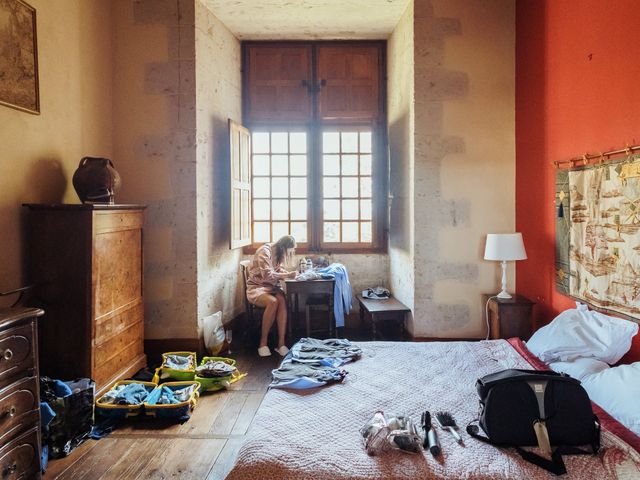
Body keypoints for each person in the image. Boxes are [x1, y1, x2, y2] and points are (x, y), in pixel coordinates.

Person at [246, 235, 297, 357]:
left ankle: (281, 344)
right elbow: (267, 275)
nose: (287, 255)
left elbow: (277, 269)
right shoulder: (264, 252)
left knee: (282, 299)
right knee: (273, 302)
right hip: (256, 287)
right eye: (288, 251)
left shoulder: (277, 252)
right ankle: (262, 343)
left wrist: (289, 273)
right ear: (283, 247)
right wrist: (287, 275)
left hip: (271, 287)